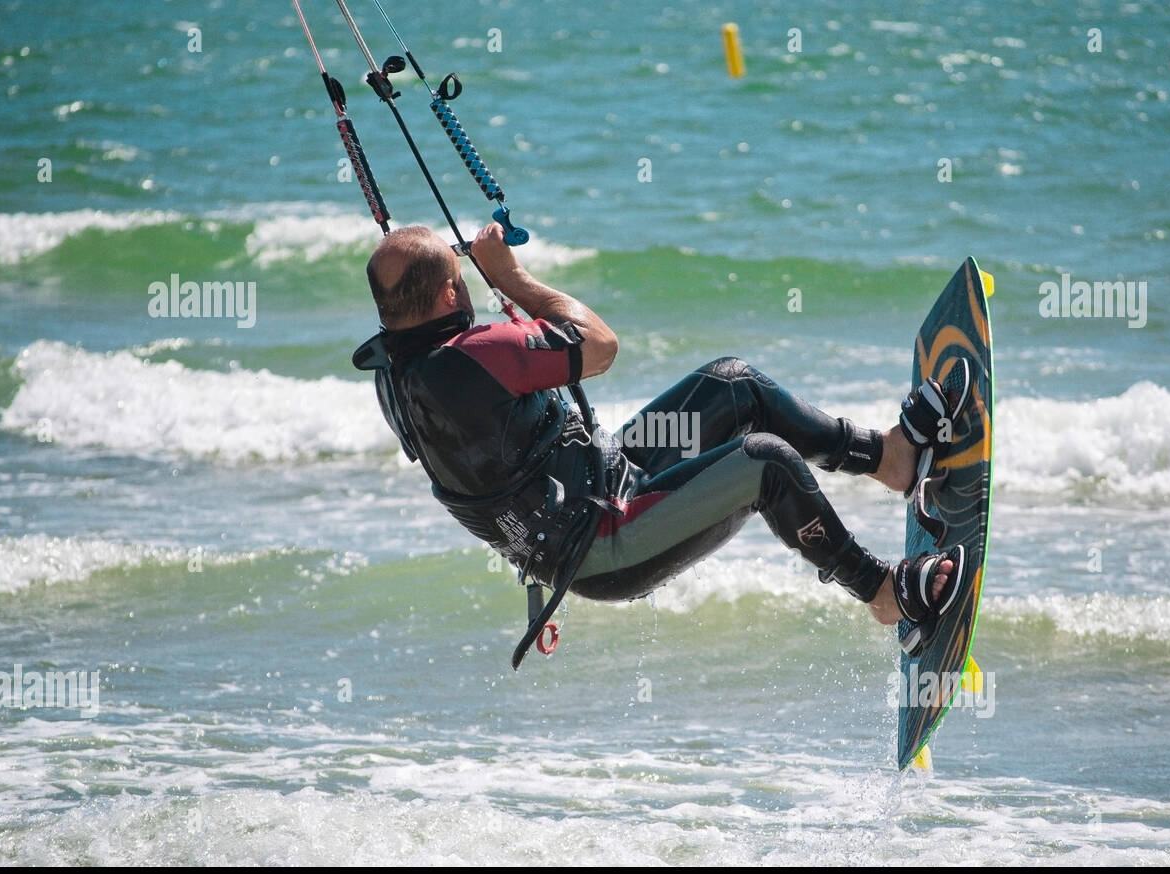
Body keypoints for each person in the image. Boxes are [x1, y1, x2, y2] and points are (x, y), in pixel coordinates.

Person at [353, 223, 965, 655]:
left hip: (603, 480)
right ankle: (881, 589)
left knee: (734, 385)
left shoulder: (397, 379)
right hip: (607, 540)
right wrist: (512, 278)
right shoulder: (474, 358)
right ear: (446, 297)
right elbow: (598, 345)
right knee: (765, 463)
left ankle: (890, 458)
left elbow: (492, 468)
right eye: (461, 276)